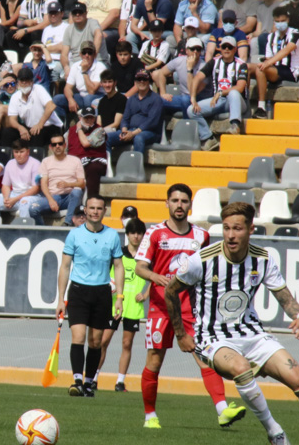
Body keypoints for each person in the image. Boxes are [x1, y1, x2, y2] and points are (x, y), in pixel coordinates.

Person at [167, 202, 299, 445]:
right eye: (226, 228)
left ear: (250, 229)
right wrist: (181, 334)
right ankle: (275, 433)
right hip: (213, 338)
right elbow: (171, 291)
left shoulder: (262, 258)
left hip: (252, 334)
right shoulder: (201, 260)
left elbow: (283, 296)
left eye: (237, 228)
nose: (231, 235)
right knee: (240, 368)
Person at [135, 184, 244, 429]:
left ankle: (222, 410)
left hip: (191, 309)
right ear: (167, 203)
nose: (179, 205)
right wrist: (155, 277)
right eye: (175, 200)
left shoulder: (201, 236)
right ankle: (150, 416)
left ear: (190, 205)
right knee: (154, 360)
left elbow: (209, 268)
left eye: (184, 201)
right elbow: (140, 267)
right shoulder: (155, 233)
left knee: (205, 357)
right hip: (161, 307)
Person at [55, 195, 125, 396]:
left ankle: (88, 383)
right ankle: (77, 380)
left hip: (102, 292)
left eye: (99, 208)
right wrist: (61, 298)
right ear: (85, 210)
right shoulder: (74, 235)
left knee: (95, 342)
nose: (95, 211)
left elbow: (118, 267)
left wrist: (119, 297)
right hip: (78, 291)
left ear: (104, 211)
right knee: (78, 336)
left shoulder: (112, 236)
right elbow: (65, 266)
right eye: (91, 208)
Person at [101, 214, 148, 392]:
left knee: (127, 344)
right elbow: (107, 276)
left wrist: (145, 294)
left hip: (133, 308)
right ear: (127, 234)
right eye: (133, 233)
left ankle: (120, 382)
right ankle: (93, 377)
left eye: (139, 233)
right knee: (103, 341)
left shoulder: (146, 258)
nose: (136, 236)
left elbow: (157, 277)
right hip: (115, 304)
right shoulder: (118, 254)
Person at [189, 37, 247, 150]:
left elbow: (240, 88)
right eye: (224, 47)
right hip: (219, 101)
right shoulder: (214, 62)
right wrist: (193, 98)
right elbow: (197, 78)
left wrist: (220, 92)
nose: (226, 49)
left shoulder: (241, 64)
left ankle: (235, 125)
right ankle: (208, 139)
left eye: (229, 47)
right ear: (220, 48)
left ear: (235, 49)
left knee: (233, 93)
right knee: (191, 110)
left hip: (238, 102)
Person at [251, 8, 299, 119]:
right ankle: (243, 105)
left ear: (288, 20)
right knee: (247, 67)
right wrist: (267, 62)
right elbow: (268, 56)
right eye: (277, 21)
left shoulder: (295, 34)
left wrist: (267, 63)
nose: (280, 24)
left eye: (282, 21)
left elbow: (286, 50)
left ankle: (261, 108)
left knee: (260, 69)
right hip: (274, 68)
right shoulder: (271, 36)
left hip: (290, 70)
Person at [32, 134, 85, 225]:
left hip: (70, 197)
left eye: (60, 144)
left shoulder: (75, 160)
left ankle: (67, 223)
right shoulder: (46, 161)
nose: (57, 146)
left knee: (77, 191)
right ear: (50, 147)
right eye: (54, 144)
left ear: (65, 145)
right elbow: (43, 184)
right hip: (53, 196)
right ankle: (42, 232)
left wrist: (68, 184)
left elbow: (82, 184)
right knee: (33, 209)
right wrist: (51, 200)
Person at [0, 139, 41, 219]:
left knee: (24, 202)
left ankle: (25, 230)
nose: (19, 155)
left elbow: (36, 188)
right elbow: (5, 185)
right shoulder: (10, 163)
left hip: (32, 196)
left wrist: (15, 199)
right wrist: (6, 198)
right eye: (16, 152)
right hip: (14, 195)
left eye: (22, 152)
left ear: (28, 151)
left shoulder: (35, 164)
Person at [6, 67, 62, 146]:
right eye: (22, 80)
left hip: (48, 126)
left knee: (36, 133)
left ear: (32, 82)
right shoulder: (15, 97)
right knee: (7, 132)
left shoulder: (39, 89)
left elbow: (51, 106)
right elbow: (12, 119)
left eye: (27, 80)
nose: (24, 83)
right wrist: (20, 128)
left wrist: (39, 124)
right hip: (30, 127)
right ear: (18, 83)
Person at [118, 69, 162, 153]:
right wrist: (124, 132)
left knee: (139, 138)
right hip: (130, 130)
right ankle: (106, 164)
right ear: (135, 82)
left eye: (145, 79)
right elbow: (125, 118)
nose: (142, 81)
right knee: (108, 137)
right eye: (139, 79)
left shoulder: (156, 99)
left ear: (149, 81)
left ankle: (136, 165)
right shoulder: (131, 99)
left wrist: (133, 133)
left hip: (149, 132)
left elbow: (151, 122)